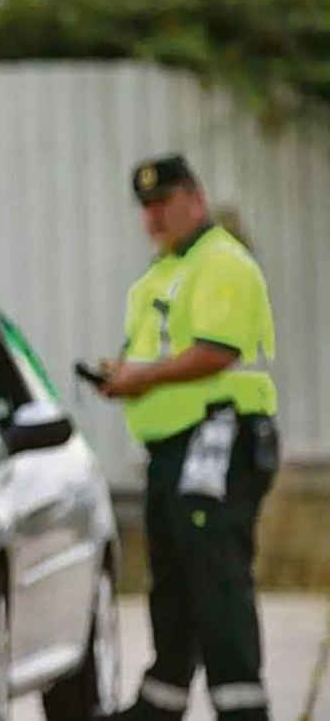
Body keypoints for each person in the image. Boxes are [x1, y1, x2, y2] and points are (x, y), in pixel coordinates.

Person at [96, 155, 277, 721]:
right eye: (146, 208)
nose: (154, 218)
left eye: (164, 203)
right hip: (172, 448)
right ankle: (161, 701)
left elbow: (215, 351)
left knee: (216, 579)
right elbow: (155, 353)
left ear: (194, 198)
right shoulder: (160, 274)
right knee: (172, 580)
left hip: (217, 440)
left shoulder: (221, 261)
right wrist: (122, 372)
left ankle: (242, 708)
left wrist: (139, 377)